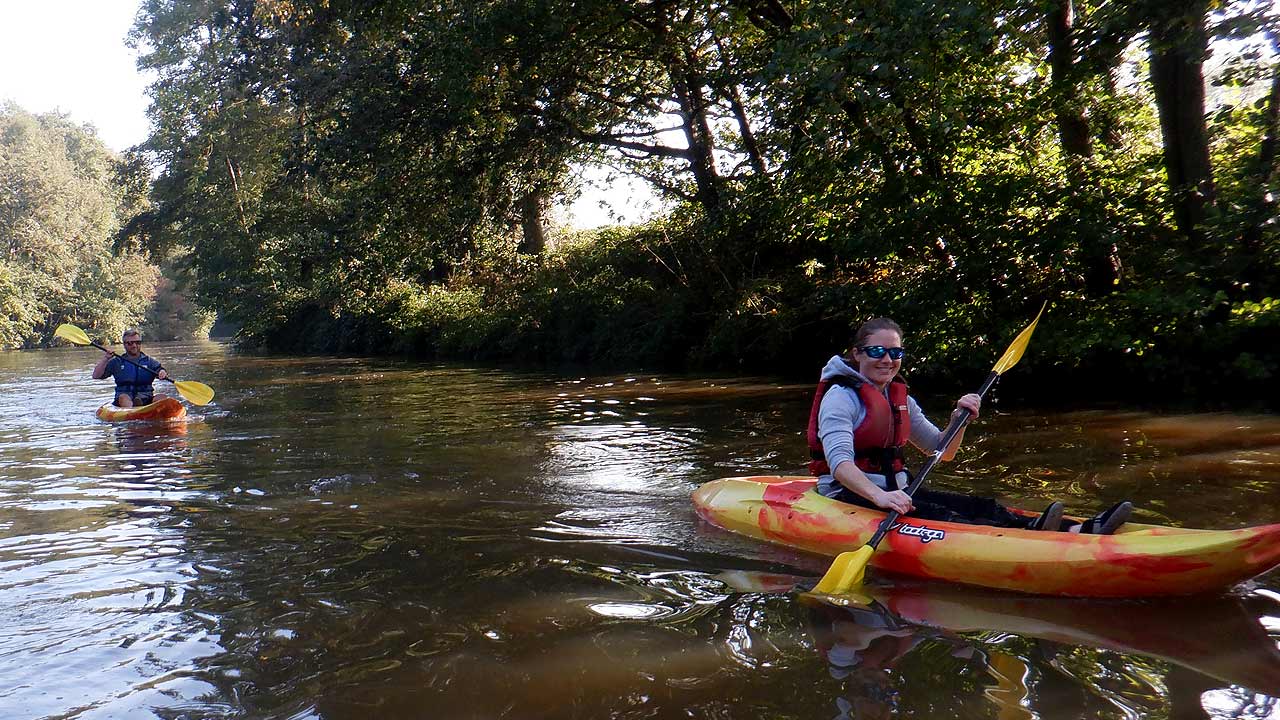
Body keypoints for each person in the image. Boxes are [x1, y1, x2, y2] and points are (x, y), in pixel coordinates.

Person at [806, 317, 1131, 534]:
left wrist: (957, 421)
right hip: (851, 495)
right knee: (951, 519)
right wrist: (880, 497)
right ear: (857, 354)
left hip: (897, 493)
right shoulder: (841, 397)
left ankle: (1078, 530)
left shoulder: (896, 395)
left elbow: (941, 452)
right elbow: (840, 466)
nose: (888, 360)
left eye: (895, 352)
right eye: (877, 351)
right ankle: (1033, 538)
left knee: (981, 505)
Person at [92, 329, 168, 408]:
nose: (134, 345)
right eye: (130, 343)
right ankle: (132, 413)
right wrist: (106, 359)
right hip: (124, 399)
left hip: (146, 397)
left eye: (137, 342)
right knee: (124, 398)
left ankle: (142, 405)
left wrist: (162, 372)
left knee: (162, 397)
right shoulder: (117, 362)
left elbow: (160, 369)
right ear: (124, 344)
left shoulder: (149, 361)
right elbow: (96, 376)